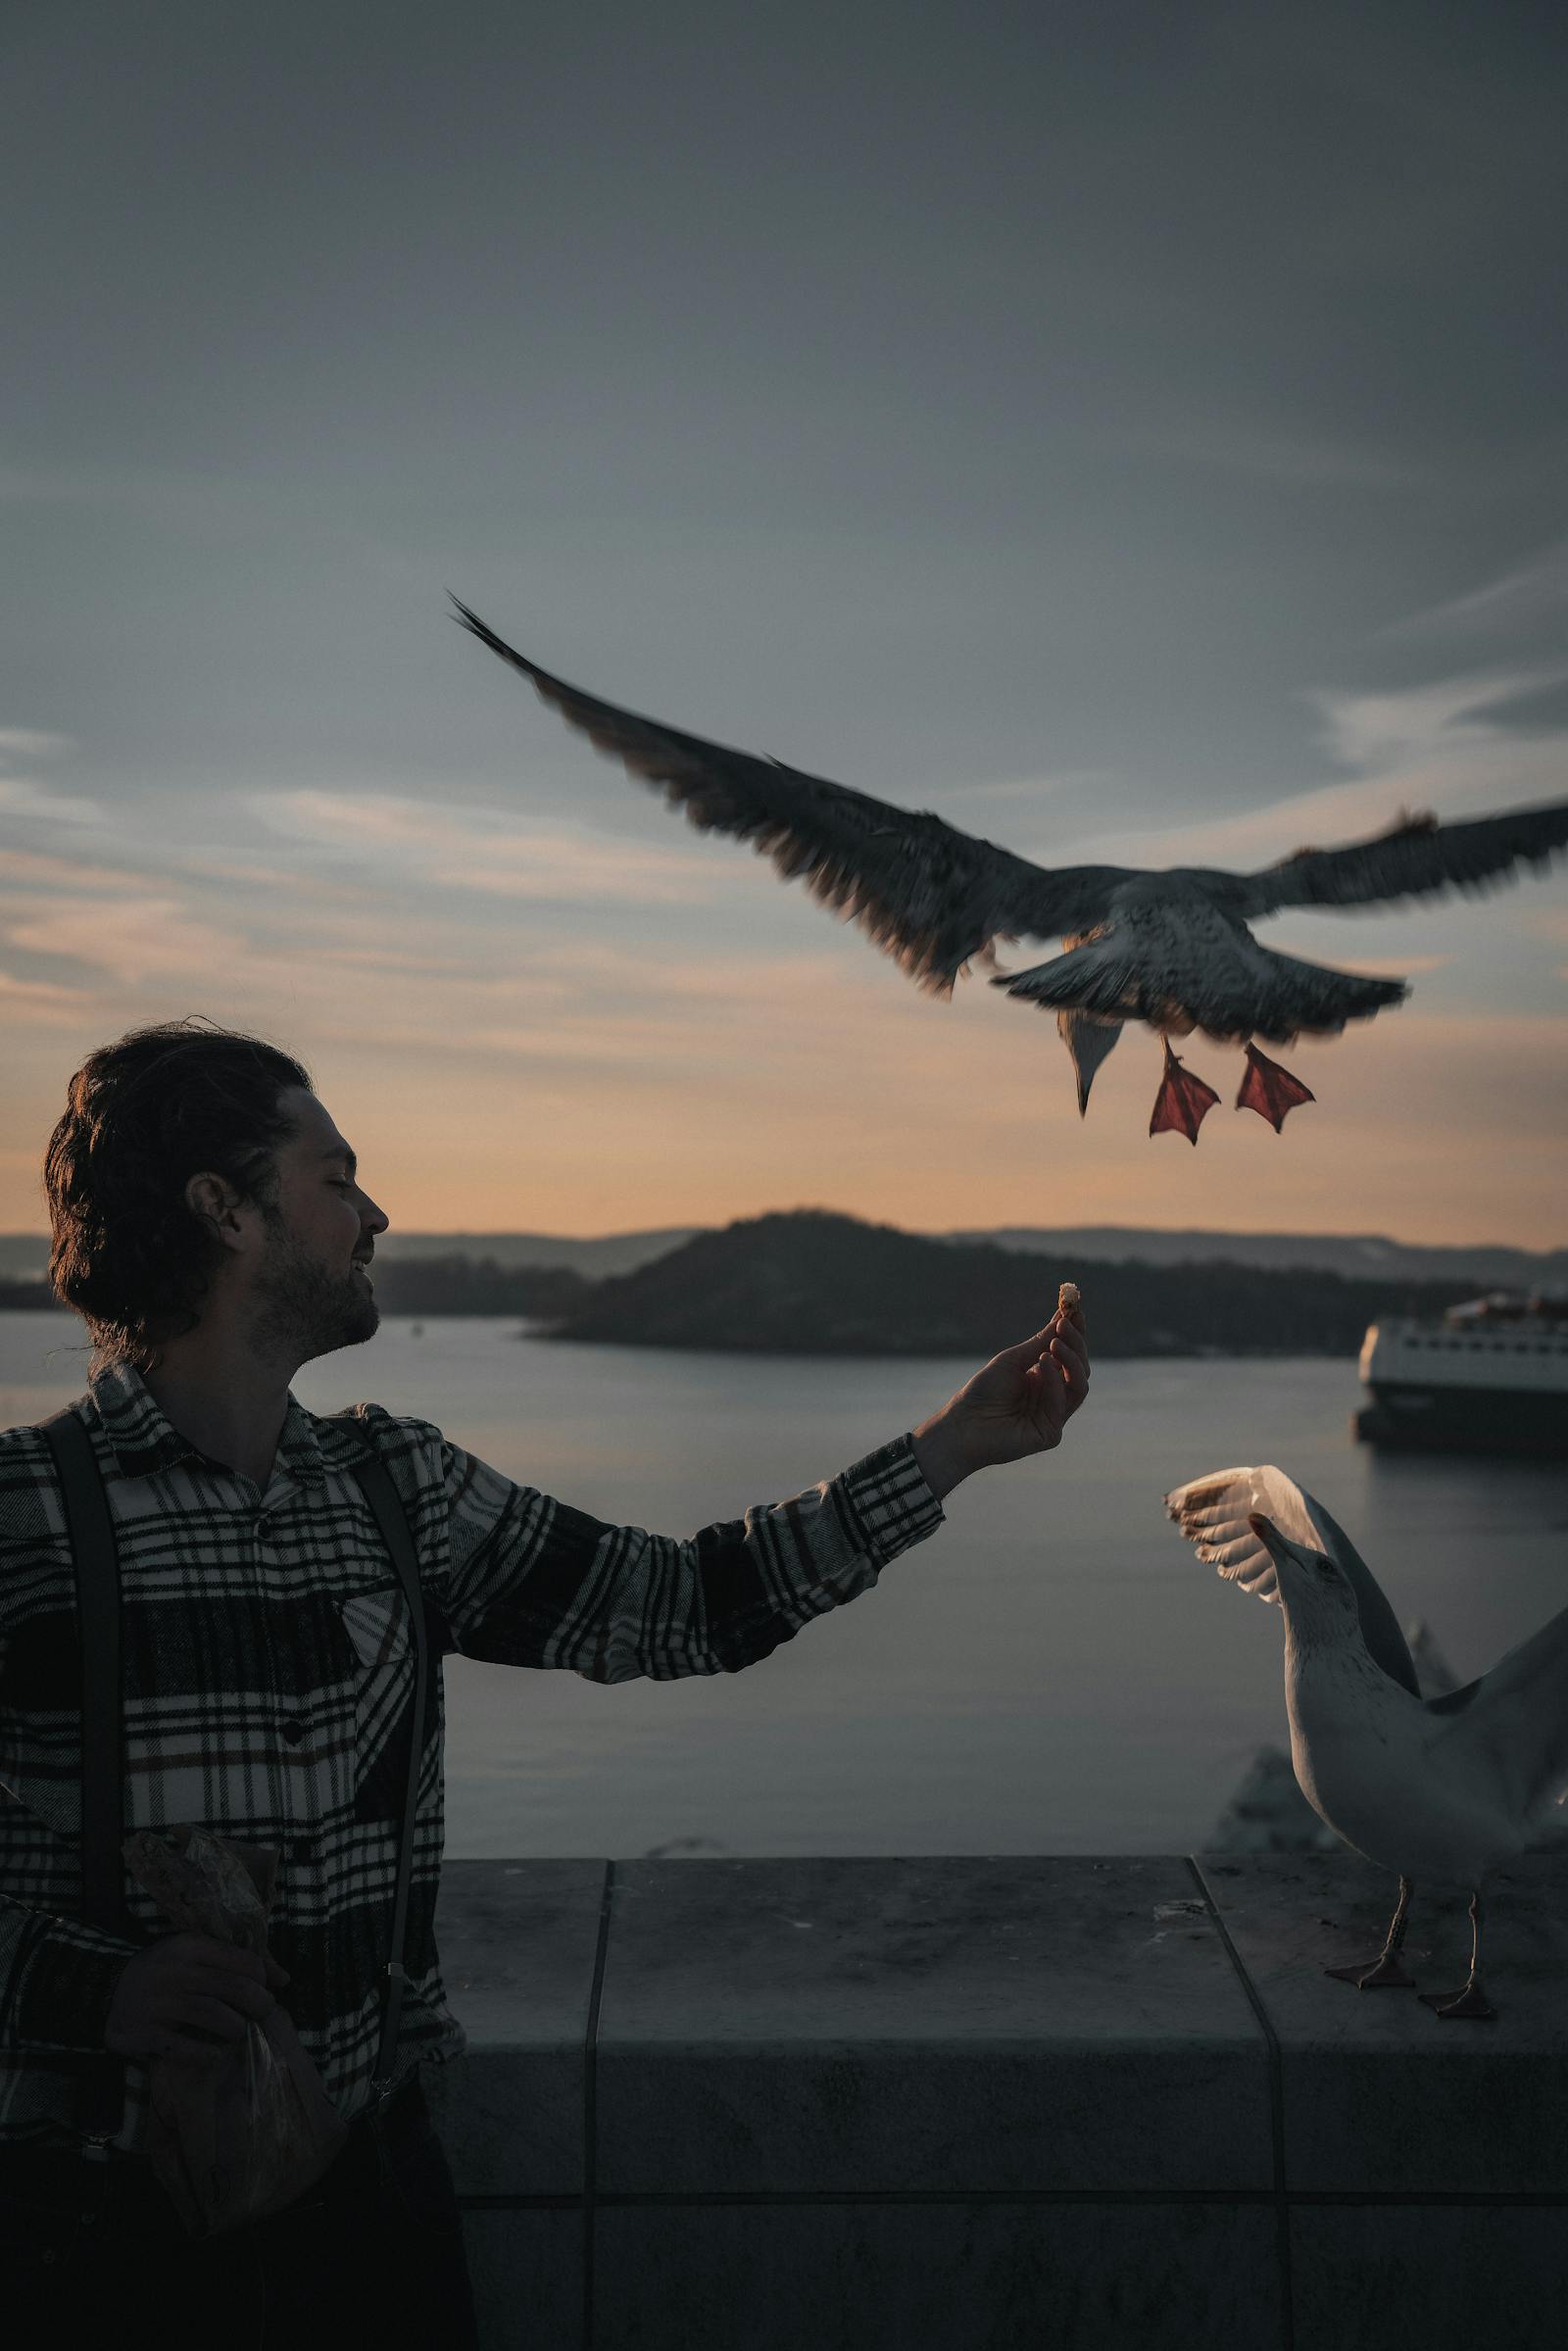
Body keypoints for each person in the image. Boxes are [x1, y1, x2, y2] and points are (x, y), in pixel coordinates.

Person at [0, 1018, 1092, 2345]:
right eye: (336, 1178)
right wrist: (81, 1989)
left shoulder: (397, 1486)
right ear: (225, 1211)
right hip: (101, 2239)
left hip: (368, 2213)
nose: (375, 1212)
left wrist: (953, 1449)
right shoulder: (27, 1519)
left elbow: (684, 1604)